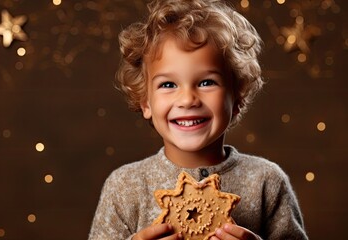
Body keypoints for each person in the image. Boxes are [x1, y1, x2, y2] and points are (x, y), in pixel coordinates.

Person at [88, 0, 308, 239]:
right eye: (168, 84)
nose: (188, 99)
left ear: (237, 98)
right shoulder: (124, 187)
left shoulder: (266, 182)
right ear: (145, 102)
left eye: (206, 82)